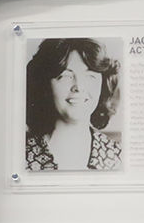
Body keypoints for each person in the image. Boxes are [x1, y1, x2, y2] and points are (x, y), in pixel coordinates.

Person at [24, 37, 123, 170]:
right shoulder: (20, 156)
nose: (78, 86)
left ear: (102, 85)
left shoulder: (118, 157)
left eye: (90, 76)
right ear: (45, 85)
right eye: (66, 76)